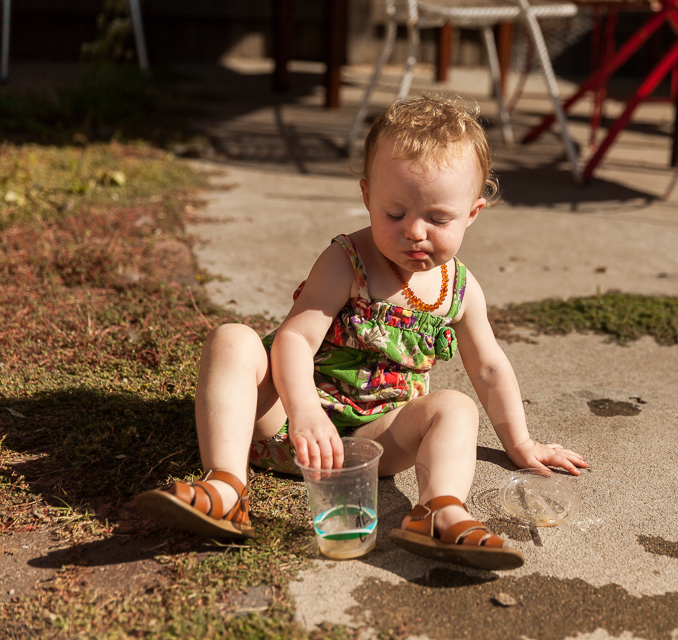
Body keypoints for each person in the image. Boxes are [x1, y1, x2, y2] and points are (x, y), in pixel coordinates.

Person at [137, 94, 588, 570]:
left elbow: (490, 366)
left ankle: (439, 510)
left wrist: (520, 443)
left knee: (455, 407)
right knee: (232, 338)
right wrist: (304, 409)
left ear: (471, 213)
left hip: (375, 443)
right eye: (395, 214)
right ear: (367, 195)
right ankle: (227, 485)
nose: (415, 232)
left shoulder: (460, 290)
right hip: (287, 426)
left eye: (437, 218)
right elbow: (294, 338)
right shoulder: (346, 261)